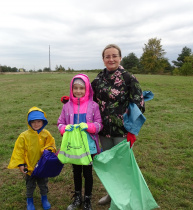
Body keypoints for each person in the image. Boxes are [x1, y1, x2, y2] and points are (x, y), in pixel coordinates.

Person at [91, 44, 145, 205]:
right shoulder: (98, 79)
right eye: (107, 56)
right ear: (103, 59)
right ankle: (111, 195)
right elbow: (90, 101)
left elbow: (139, 103)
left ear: (120, 58)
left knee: (122, 166)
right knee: (110, 165)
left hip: (122, 131)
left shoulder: (129, 78)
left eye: (114, 56)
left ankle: (125, 198)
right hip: (103, 130)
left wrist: (131, 128)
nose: (111, 59)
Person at [57, 74, 103, 210]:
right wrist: (65, 128)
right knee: (76, 172)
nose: (78, 91)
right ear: (71, 89)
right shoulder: (67, 107)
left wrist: (90, 126)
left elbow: (99, 124)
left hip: (88, 147)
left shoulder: (93, 106)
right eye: (75, 88)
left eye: (81, 88)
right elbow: (60, 123)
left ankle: (87, 198)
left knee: (88, 173)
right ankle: (77, 197)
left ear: (87, 89)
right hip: (74, 147)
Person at [8, 106, 56, 210]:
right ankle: (29, 200)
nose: (36, 124)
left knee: (43, 184)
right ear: (29, 122)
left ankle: (44, 198)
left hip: (43, 166)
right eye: (33, 122)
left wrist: (48, 150)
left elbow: (51, 144)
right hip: (29, 167)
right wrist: (21, 164)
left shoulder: (46, 134)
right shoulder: (23, 136)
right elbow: (18, 151)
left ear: (43, 122)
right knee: (30, 185)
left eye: (39, 121)